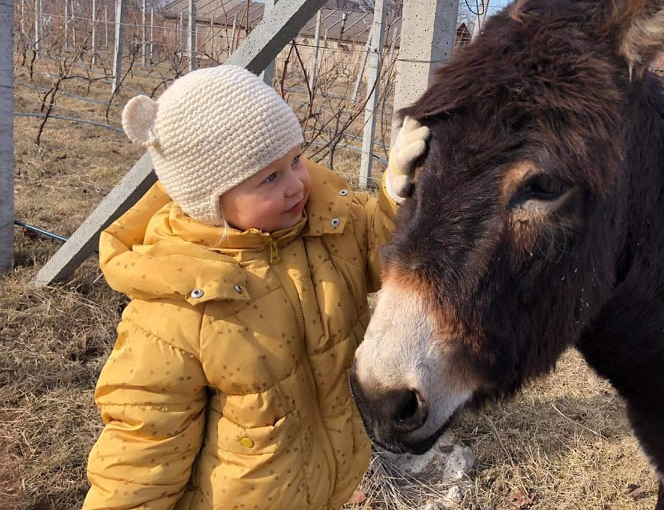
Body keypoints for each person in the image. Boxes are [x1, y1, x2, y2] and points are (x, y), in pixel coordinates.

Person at [82, 64, 429, 510]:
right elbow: (143, 448)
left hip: (326, 481)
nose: (297, 185)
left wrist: (396, 194)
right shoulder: (178, 308)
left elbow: (379, 254)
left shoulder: (326, 226)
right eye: (269, 177)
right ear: (211, 199)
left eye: (296, 160)